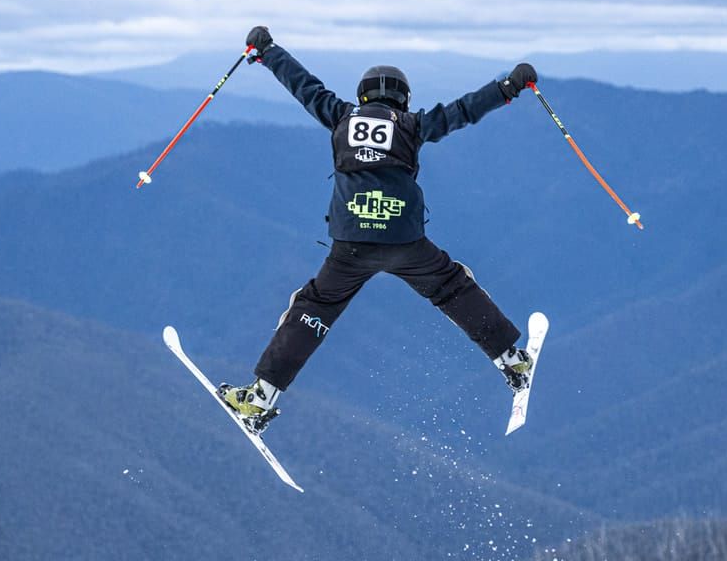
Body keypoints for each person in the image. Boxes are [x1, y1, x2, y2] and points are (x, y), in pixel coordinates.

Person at [219, 26, 539, 433]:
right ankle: (511, 361)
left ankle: (259, 399)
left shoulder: (340, 117)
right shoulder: (411, 126)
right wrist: (510, 86)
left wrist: (266, 50)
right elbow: (464, 110)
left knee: (312, 309)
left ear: (362, 96)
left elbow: (302, 84)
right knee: (455, 289)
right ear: (403, 98)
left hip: (351, 245)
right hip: (406, 242)